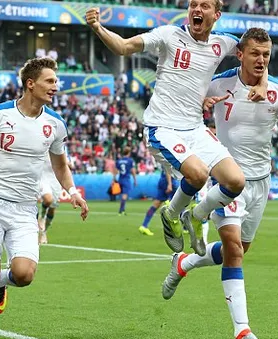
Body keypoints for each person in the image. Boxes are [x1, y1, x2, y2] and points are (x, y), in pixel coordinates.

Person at [160, 28, 278, 339]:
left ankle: (184, 263)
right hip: (228, 179)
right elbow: (183, 106)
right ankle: (242, 330)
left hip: (261, 183)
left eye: (266, 54)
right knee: (234, 250)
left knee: (237, 250)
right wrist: (201, 105)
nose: (261, 60)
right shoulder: (218, 83)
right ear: (240, 54)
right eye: (255, 54)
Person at [86, 0, 268, 257]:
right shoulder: (169, 35)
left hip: (195, 127)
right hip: (163, 127)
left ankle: (196, 214)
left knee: (236, 181)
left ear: (216, 15)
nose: (197, 9)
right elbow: (124, 47)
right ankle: (171, 213)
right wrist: (97, 28)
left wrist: (262, 82)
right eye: (193, 4)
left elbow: (256, 51)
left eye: (204, 6)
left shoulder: (222, 43)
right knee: (198, 175)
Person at [0, 57, 89, 339]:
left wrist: (74, 192)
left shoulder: (56, 124)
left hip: (24, 210)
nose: (56, 86)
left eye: (56, 81)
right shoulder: (0, 113)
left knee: (24, 275)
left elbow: (60, 165)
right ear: (31, 84)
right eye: (50, 81)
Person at [38, 147, 71, 245]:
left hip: (55, 178)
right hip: (42, 176)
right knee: (48, 200)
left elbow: (66, 162)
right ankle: (41, 217)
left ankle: (43, 232)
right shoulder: (41, 140)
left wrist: (67, 163)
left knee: (52, 208)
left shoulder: (60, 146)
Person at [139, 168, 180, 236]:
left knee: (156, 204)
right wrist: (169, 184)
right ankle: (183, 228)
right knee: (178, 203)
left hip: (163, 180)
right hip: (168, 182)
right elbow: (168, 170)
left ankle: (144, 226)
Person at [114, 146, 137, 216]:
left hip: (120, 179)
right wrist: (135, 179)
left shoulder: (119, 161)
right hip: (126, 179)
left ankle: (122, 210)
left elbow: (116, 170)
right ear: (129, 153)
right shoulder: (130, 161)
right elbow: (132, 170)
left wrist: (114, 178)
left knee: (122, 195)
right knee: (125, 195)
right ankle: (121, 211)